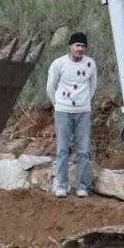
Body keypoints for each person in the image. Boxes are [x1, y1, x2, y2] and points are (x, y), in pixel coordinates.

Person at [46, 32, 97, 198]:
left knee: (83, 150)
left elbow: (92, 86)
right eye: (77, 45)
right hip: (63, 112)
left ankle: (81, 186)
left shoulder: (90, 64)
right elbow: (50, 87)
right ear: (70, 46)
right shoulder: (58, 64)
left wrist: (84, 102)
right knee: (62, 150)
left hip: (83, 112)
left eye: (83, 46)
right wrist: (59, 105)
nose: (80, 49)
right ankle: (62, 185)